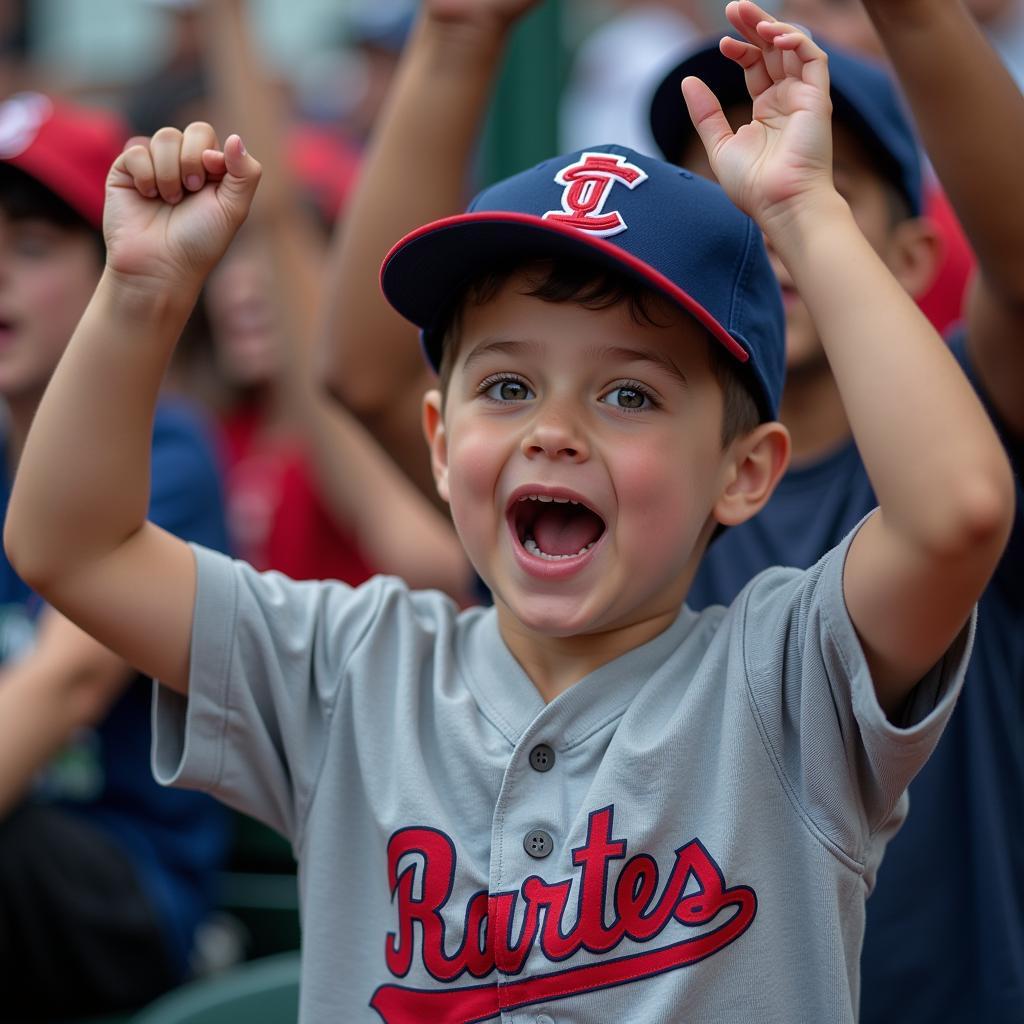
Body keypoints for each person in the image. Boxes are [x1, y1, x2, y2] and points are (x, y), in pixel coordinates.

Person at [4, 6, 1015, 1021]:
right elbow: (71, 545)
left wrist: (807, 213)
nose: (553, 430)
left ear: (743, 472)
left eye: (629, 394)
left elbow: (957, 512)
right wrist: (137, 295)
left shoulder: (788, 677)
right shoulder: (354, 668)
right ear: (441, 445)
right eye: (506, 387)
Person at [646, 8, 1024, 1021]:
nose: (762, 219)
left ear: (907, 255)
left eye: (819, 187)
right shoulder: (633, 478)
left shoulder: (950, 433)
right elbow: (363, 376)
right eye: (724, 192)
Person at [0, 92, 232, 1018]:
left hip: (126, 885)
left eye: (30, 248)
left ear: (109, 268)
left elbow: (66, 683)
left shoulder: (165, 452)